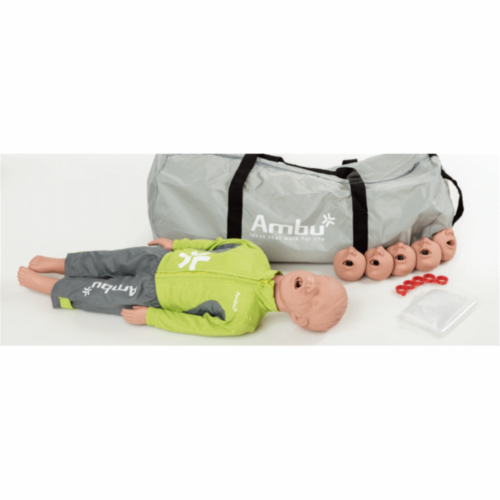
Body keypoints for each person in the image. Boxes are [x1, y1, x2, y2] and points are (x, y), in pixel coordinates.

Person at [18, 237, 348, 336]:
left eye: (316, 299)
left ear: (299, 319)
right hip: (159, 259)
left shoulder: (244, 319)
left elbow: (195, 325)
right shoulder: (254, 254)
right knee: (107, 259)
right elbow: (214, 244)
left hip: (154, 296)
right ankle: (60, 264)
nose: (312, 285)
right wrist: (176, 244)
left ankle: (51, 289)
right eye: (320, 281)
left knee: (103, 294)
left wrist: (152, 317)